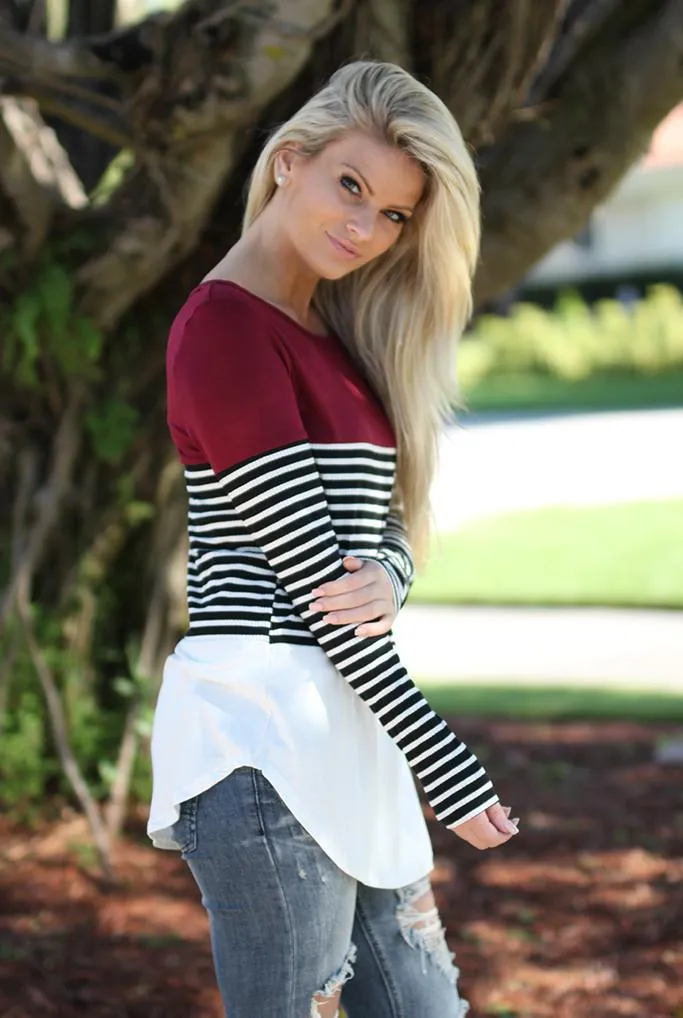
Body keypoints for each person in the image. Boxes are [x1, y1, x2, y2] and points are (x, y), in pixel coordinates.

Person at [147, 59, 521, 1018]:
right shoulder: (225, 330)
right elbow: (317, 582)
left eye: (394, 214)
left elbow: (373, 538)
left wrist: (393, 573)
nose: (364, 227)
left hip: (350, 733)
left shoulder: (326, 332)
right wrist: (445, 761)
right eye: (350, 187)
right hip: (263, 739)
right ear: (289, 161)